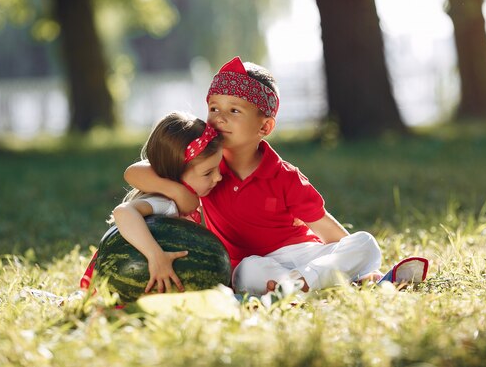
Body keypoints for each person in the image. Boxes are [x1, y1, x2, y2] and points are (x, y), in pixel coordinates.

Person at [124, 57, 388, 296]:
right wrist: (177, 191)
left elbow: (332, 235)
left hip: (305, 256)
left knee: (365, 243)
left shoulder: (284, 177)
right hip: (255, 266)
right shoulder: (205, 167)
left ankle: (306, 284)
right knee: (249, 270)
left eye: (234, 111)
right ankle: (325, 283)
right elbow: (135, 172)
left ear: (265, 126)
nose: (219, 119)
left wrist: (349, 256)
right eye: (214, 109)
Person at [80, 111, 224, 294]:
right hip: (118, 282)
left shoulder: (183, 198)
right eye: (208, 172)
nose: (219, 177)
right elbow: (123, 212)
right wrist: (155, 255)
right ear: (176, 173)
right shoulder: (166, 203)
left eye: (218, 168)